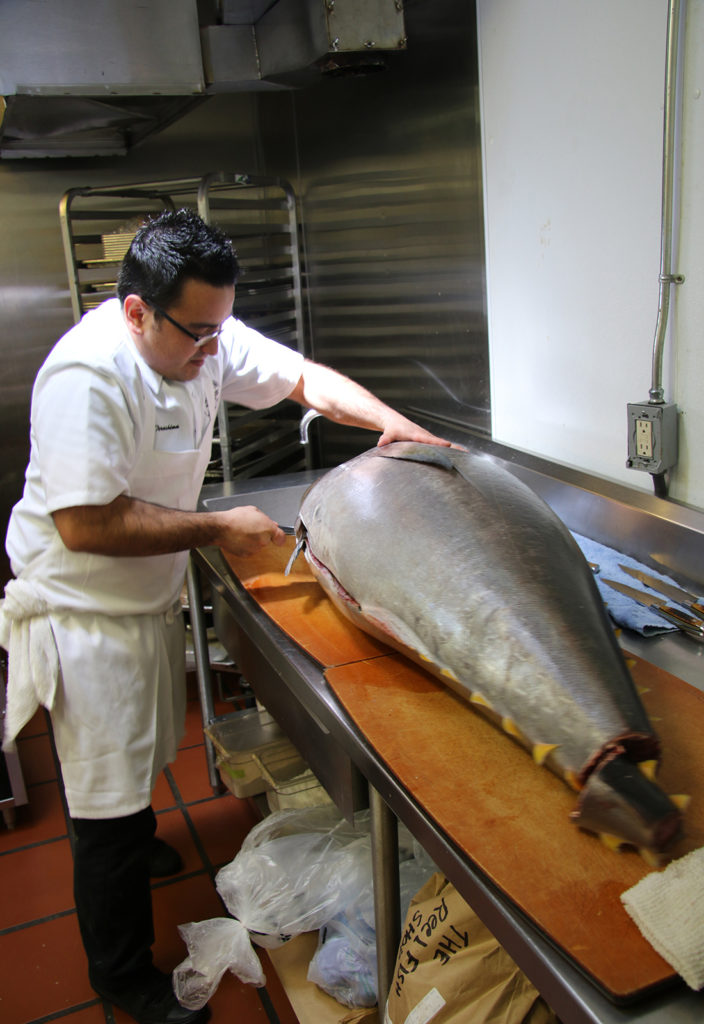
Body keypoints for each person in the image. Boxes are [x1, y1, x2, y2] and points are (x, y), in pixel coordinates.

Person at [0, 209, 453, 1024]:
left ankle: (135, 836)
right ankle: (124, 977)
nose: (214, 349)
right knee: (103, 795)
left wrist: (389, 423)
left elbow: (303, 378)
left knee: (141, 741)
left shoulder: (199, 329)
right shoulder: (87, 377)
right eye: (197, 334)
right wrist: (219, 524)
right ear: (135, 310)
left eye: (219, 328)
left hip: (141, 596)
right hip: (82, 610)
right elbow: (84, 523)